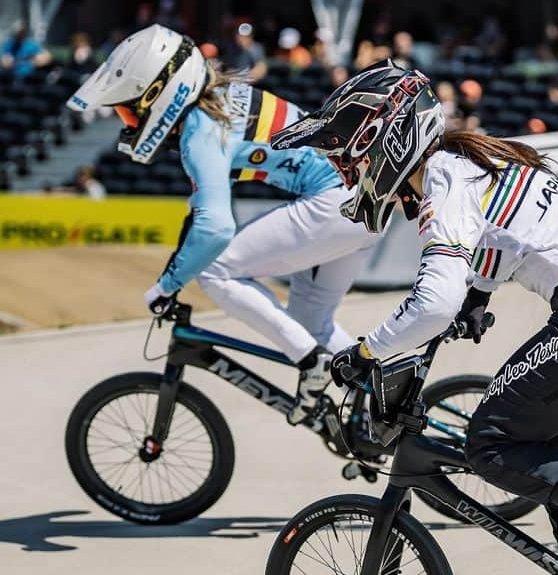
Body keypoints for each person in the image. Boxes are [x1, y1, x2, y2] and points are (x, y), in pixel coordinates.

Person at [271, 60, 558, 575]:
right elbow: (501, 239)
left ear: (385, 142)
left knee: (489, 445)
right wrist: (479, 296)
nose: (343, 172)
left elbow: (432, 304)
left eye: (347, 157)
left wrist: (364, 353)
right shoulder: (462, 162)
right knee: (534, 433)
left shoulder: (441, 180)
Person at [66, 25, 381, 423]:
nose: (127, 123)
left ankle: (311, 362)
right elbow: (199, 207)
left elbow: (215, 229)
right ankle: (381, 404)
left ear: (158, 94)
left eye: (129, 111)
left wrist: (166, 287)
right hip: (363, 200)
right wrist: (173, 270)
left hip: (336, 201)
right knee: (309, 321)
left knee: (216, 270)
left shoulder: (201, 130)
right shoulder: (218, 103)